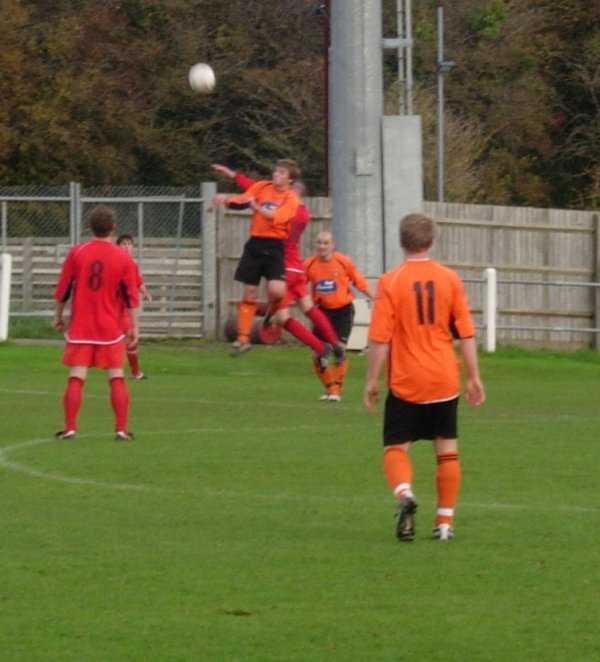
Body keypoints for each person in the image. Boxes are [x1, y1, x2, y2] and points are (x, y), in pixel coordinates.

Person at [364, 213, 485, 542]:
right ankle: (444, 523)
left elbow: (379, 338)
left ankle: (404, 493)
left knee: (395, 448)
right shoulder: (450, 279)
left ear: (401, 242)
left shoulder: (390, 281)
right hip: (445, 378)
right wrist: (473, 377)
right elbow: (466, 334)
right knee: (447, 450)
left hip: (407, 381)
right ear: (432, 241)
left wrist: (371, 381)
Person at [211, 163, 343, 360]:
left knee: (281, 314)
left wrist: (251, 201)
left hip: (282, 261)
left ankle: (317, 345)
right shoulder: (301, 209)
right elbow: (254, 187)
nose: (276, 176)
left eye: (282, 174)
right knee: (307, 307)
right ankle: (335, 345)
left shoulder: (292, 206)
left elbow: (270, 211)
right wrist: (233, 178)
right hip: (297, 266)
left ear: (291, 186)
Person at [53, 205, 140, 441]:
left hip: (81, 326)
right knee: (116, 376)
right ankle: (121, 429)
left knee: (77, 375)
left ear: (90, 227)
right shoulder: (123, 257)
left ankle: (70, 427)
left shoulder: (77, 253)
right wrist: (135, 328)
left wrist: (59, 316)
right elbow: (132, 296)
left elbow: (63, 288)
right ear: (113, 227)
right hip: (110, 327)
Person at [211, 159, 301, 357]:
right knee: (249, 291)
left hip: (275, 247)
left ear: (290, 180)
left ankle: (270, 315)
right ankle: (243, 339)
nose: (276, 175)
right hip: (255, 244)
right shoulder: (262, 187)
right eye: (276, 171)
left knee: (277, 291)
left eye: (281, 173)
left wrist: (257, 207)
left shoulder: (291, 199)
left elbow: (275, 217)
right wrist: (226, 198)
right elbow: (244, 199)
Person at [303, 231, 373, 402]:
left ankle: (336, 390)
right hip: (321, 312)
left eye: (325, 243)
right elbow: (298, 285)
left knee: (339, 349)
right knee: (317, 354)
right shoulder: (309, 264)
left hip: (343, 310)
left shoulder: (343, 261)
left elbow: (358, 281)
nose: (322, 246)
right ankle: (331, 389)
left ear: (332, 245)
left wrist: (374, 297)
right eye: (319, 243)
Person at [116, 234, 152, 380]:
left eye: (129, 244)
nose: (126, 246)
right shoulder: (115, 262)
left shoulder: (132, 264)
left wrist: (145, 292)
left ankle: (135, 372)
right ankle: (125, 371)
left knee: (129, 338)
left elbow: (137, 281)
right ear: (117, 246)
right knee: (126, 338)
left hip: (125, 308)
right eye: (123, 244)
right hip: (114, 307)